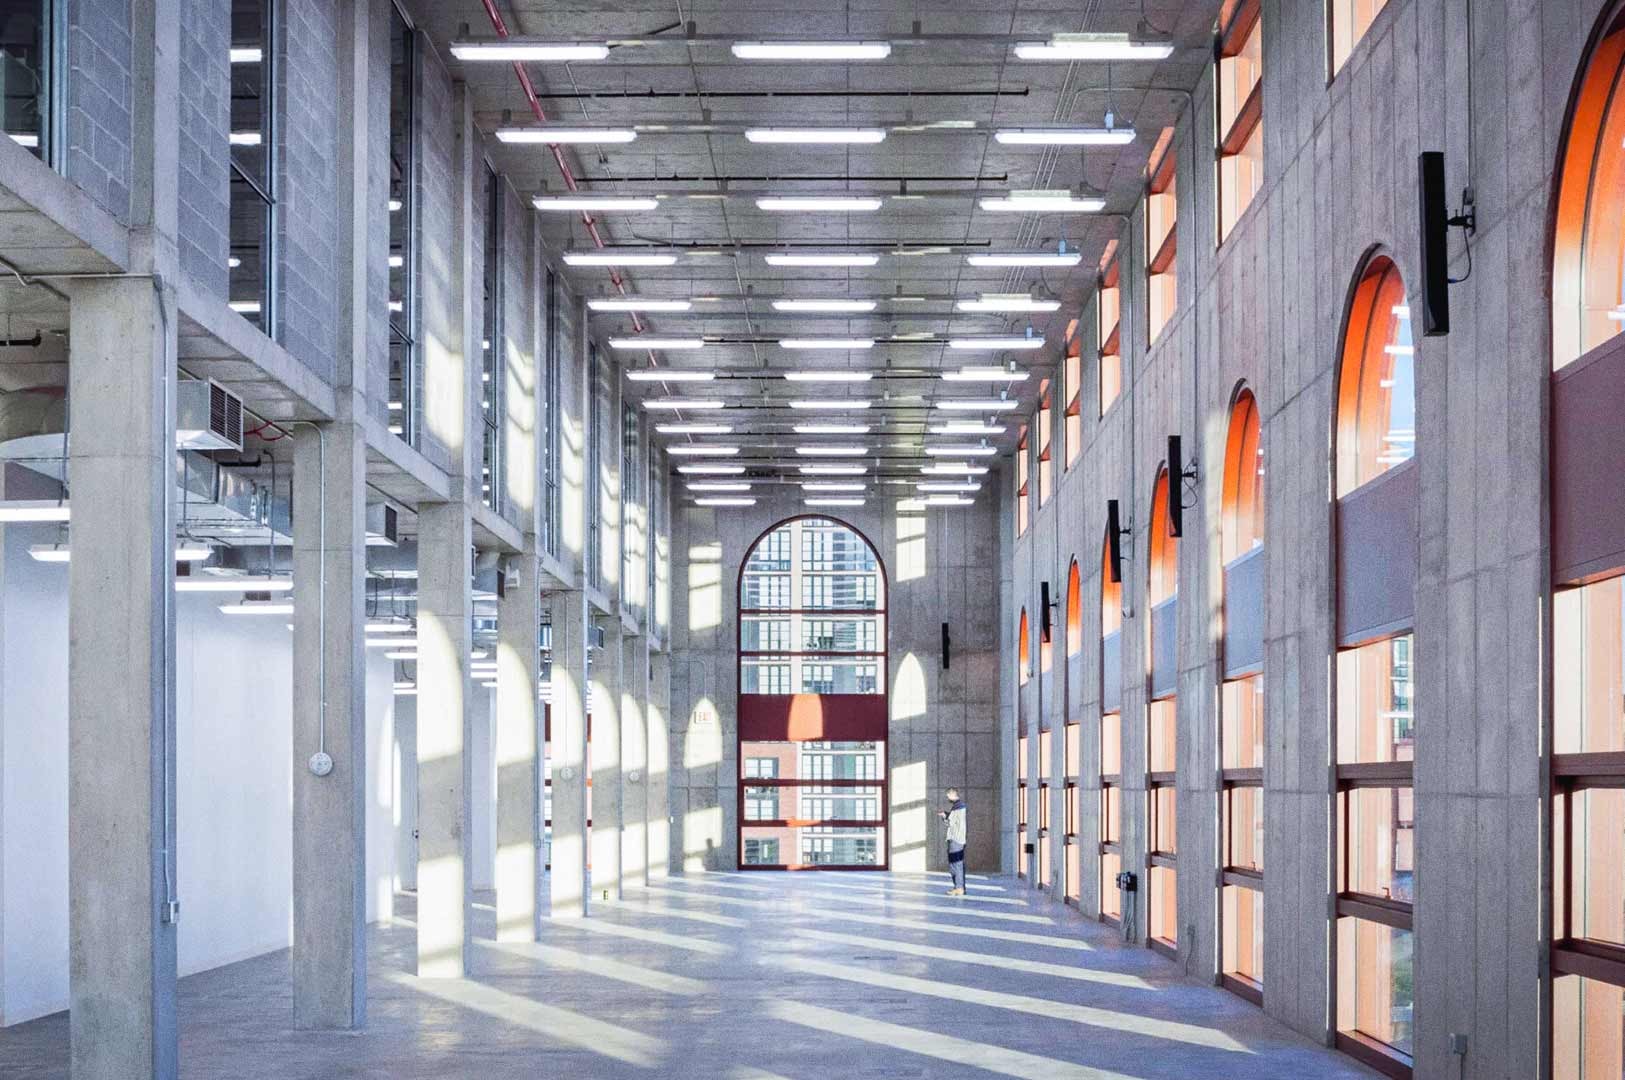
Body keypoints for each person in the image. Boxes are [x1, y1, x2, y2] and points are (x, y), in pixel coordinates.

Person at [939, 788, 968, 895]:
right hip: (959, 839)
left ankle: (959, 888)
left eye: (948, 796)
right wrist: (947, 814)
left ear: (952, 795)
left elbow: (950, 823)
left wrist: (944, 817)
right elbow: (955, 820)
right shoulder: (960, 806)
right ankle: (959, 887)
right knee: (957, 864)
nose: (947, 799)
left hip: (955, 839)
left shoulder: (957, 807)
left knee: (955, 864)